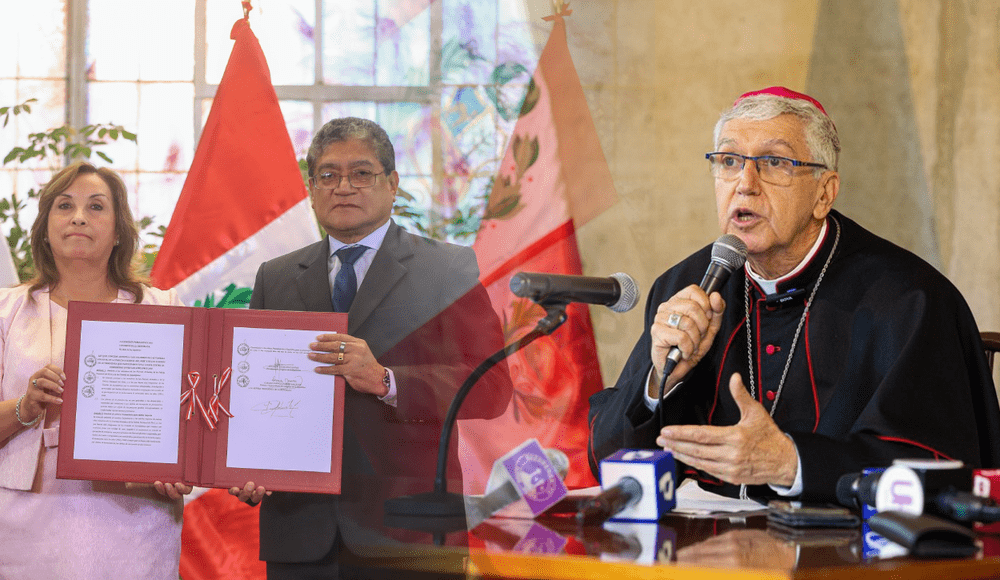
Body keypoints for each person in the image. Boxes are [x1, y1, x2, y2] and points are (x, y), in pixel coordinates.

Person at [588, 87, 1000, 503]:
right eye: (729, 161)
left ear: (824, 193)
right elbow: (607, 465)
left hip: (847, 560)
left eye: (773, 163)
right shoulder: (685, 287)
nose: (745, 185)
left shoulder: (910, 300)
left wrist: (793, 463)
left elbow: (946, 473)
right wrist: (660, 378)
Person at [230, 117, 511, 578]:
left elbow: (493, 387)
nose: (343, 187)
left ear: (393, 183)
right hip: (300, 533)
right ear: (311, 188)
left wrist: (387, 381)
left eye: (361, 173)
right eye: (328, 175)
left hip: (409, 533)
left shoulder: (445, 268)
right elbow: (255, 397)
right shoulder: (275, 278)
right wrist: (245, 466)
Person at [0, 161, 191, 579]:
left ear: (120, 229)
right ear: (45, 228)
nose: (79, 217)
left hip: (135, 520)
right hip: (23, 524)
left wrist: (183, 467)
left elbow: (190, 419)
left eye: (96, 206)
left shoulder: (164, 308)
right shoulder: (5, 311)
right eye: (64, 206)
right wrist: (25, 407)